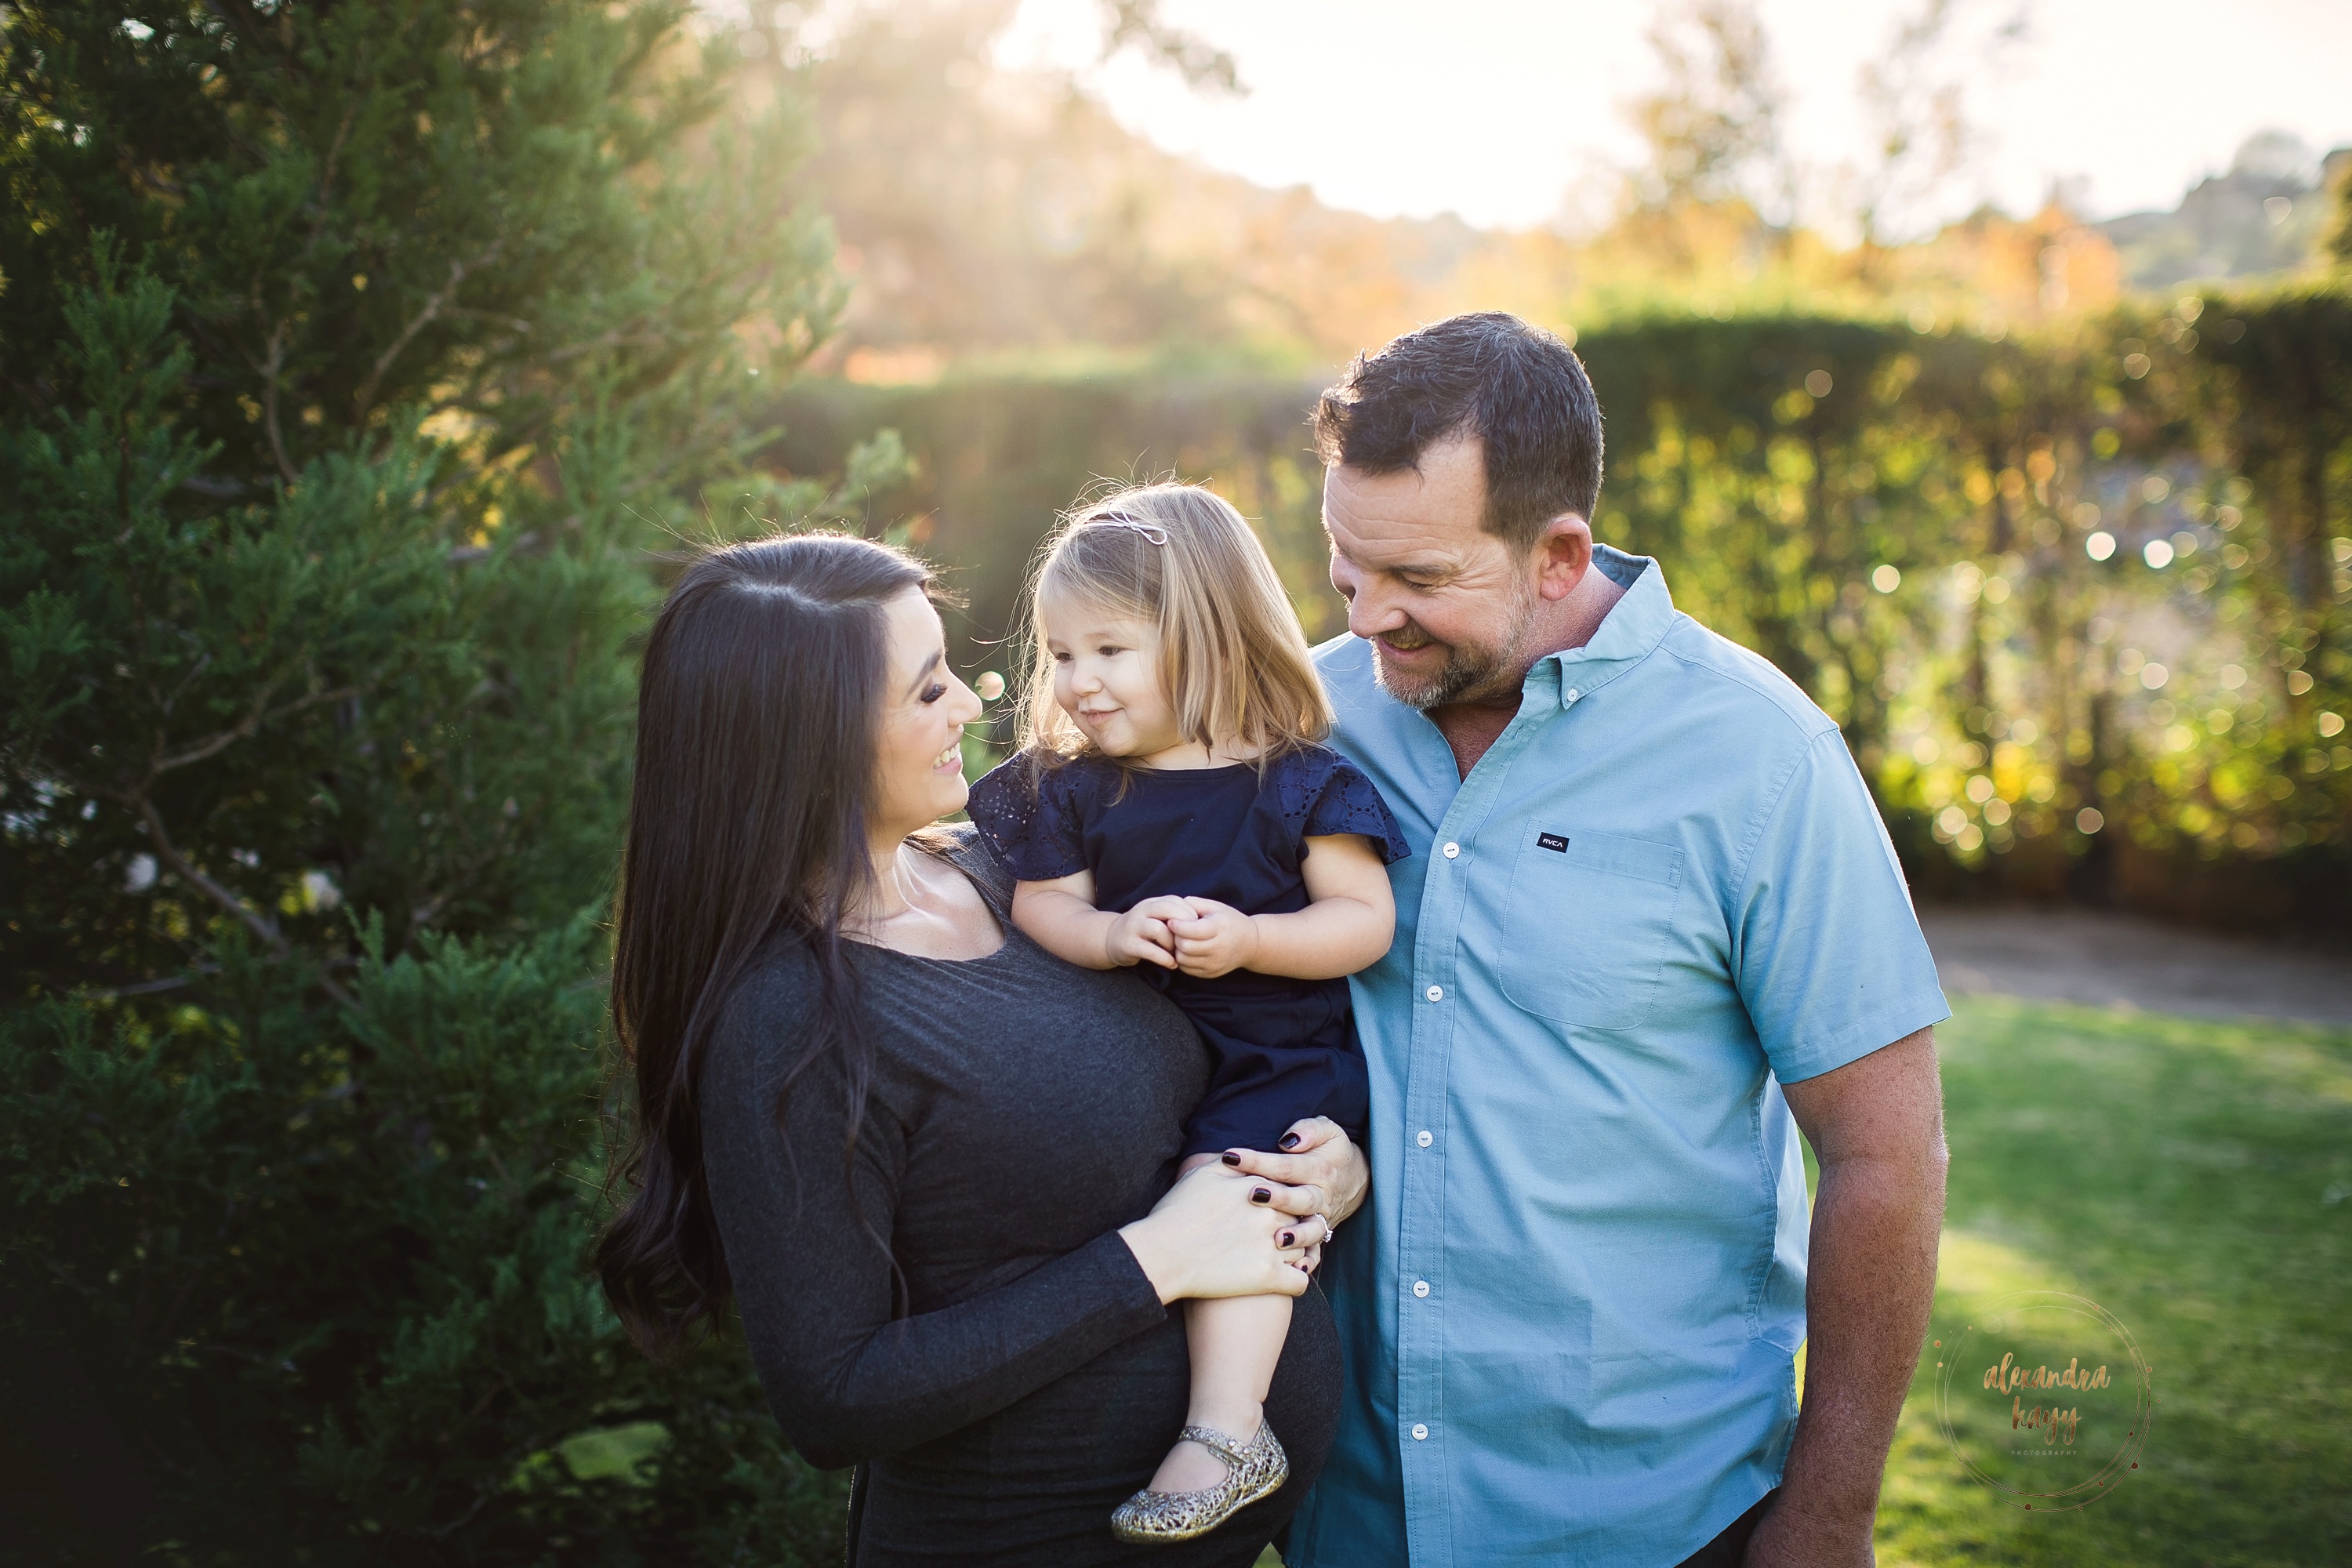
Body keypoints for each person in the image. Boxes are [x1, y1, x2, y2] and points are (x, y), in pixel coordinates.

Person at [1282, 314, 1953, 1568]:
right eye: (1344, 566)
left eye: (1420, 580)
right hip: (1349, 1517)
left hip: (1653, 1519)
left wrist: (1827, 1516)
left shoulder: (1761, 758)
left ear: (1558, 554)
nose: (1370, 618)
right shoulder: (1308, 721)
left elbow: (1885, 1154)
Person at [591, 532, 1370, 1566]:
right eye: (926, 691)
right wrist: (1164, 1258)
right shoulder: (787, 1018)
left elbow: (1229, 1050)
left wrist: (1328, 1170)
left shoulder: (1014, 875)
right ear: (808, 738)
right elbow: (836, 1396)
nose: (972, 703)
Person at [966, 485, 1410, 1543]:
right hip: (1138, 1052)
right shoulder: (1071, 791)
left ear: (1205, 636)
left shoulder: (1294, 786)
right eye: (1062, 654)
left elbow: (1363, 922)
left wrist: (1254, 939)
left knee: (1246, 1189)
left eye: (1109, 651)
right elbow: (1047, 907)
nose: (1078, 682)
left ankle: (1225, 1428)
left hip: (1270, 1059)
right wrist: (1116, 936)